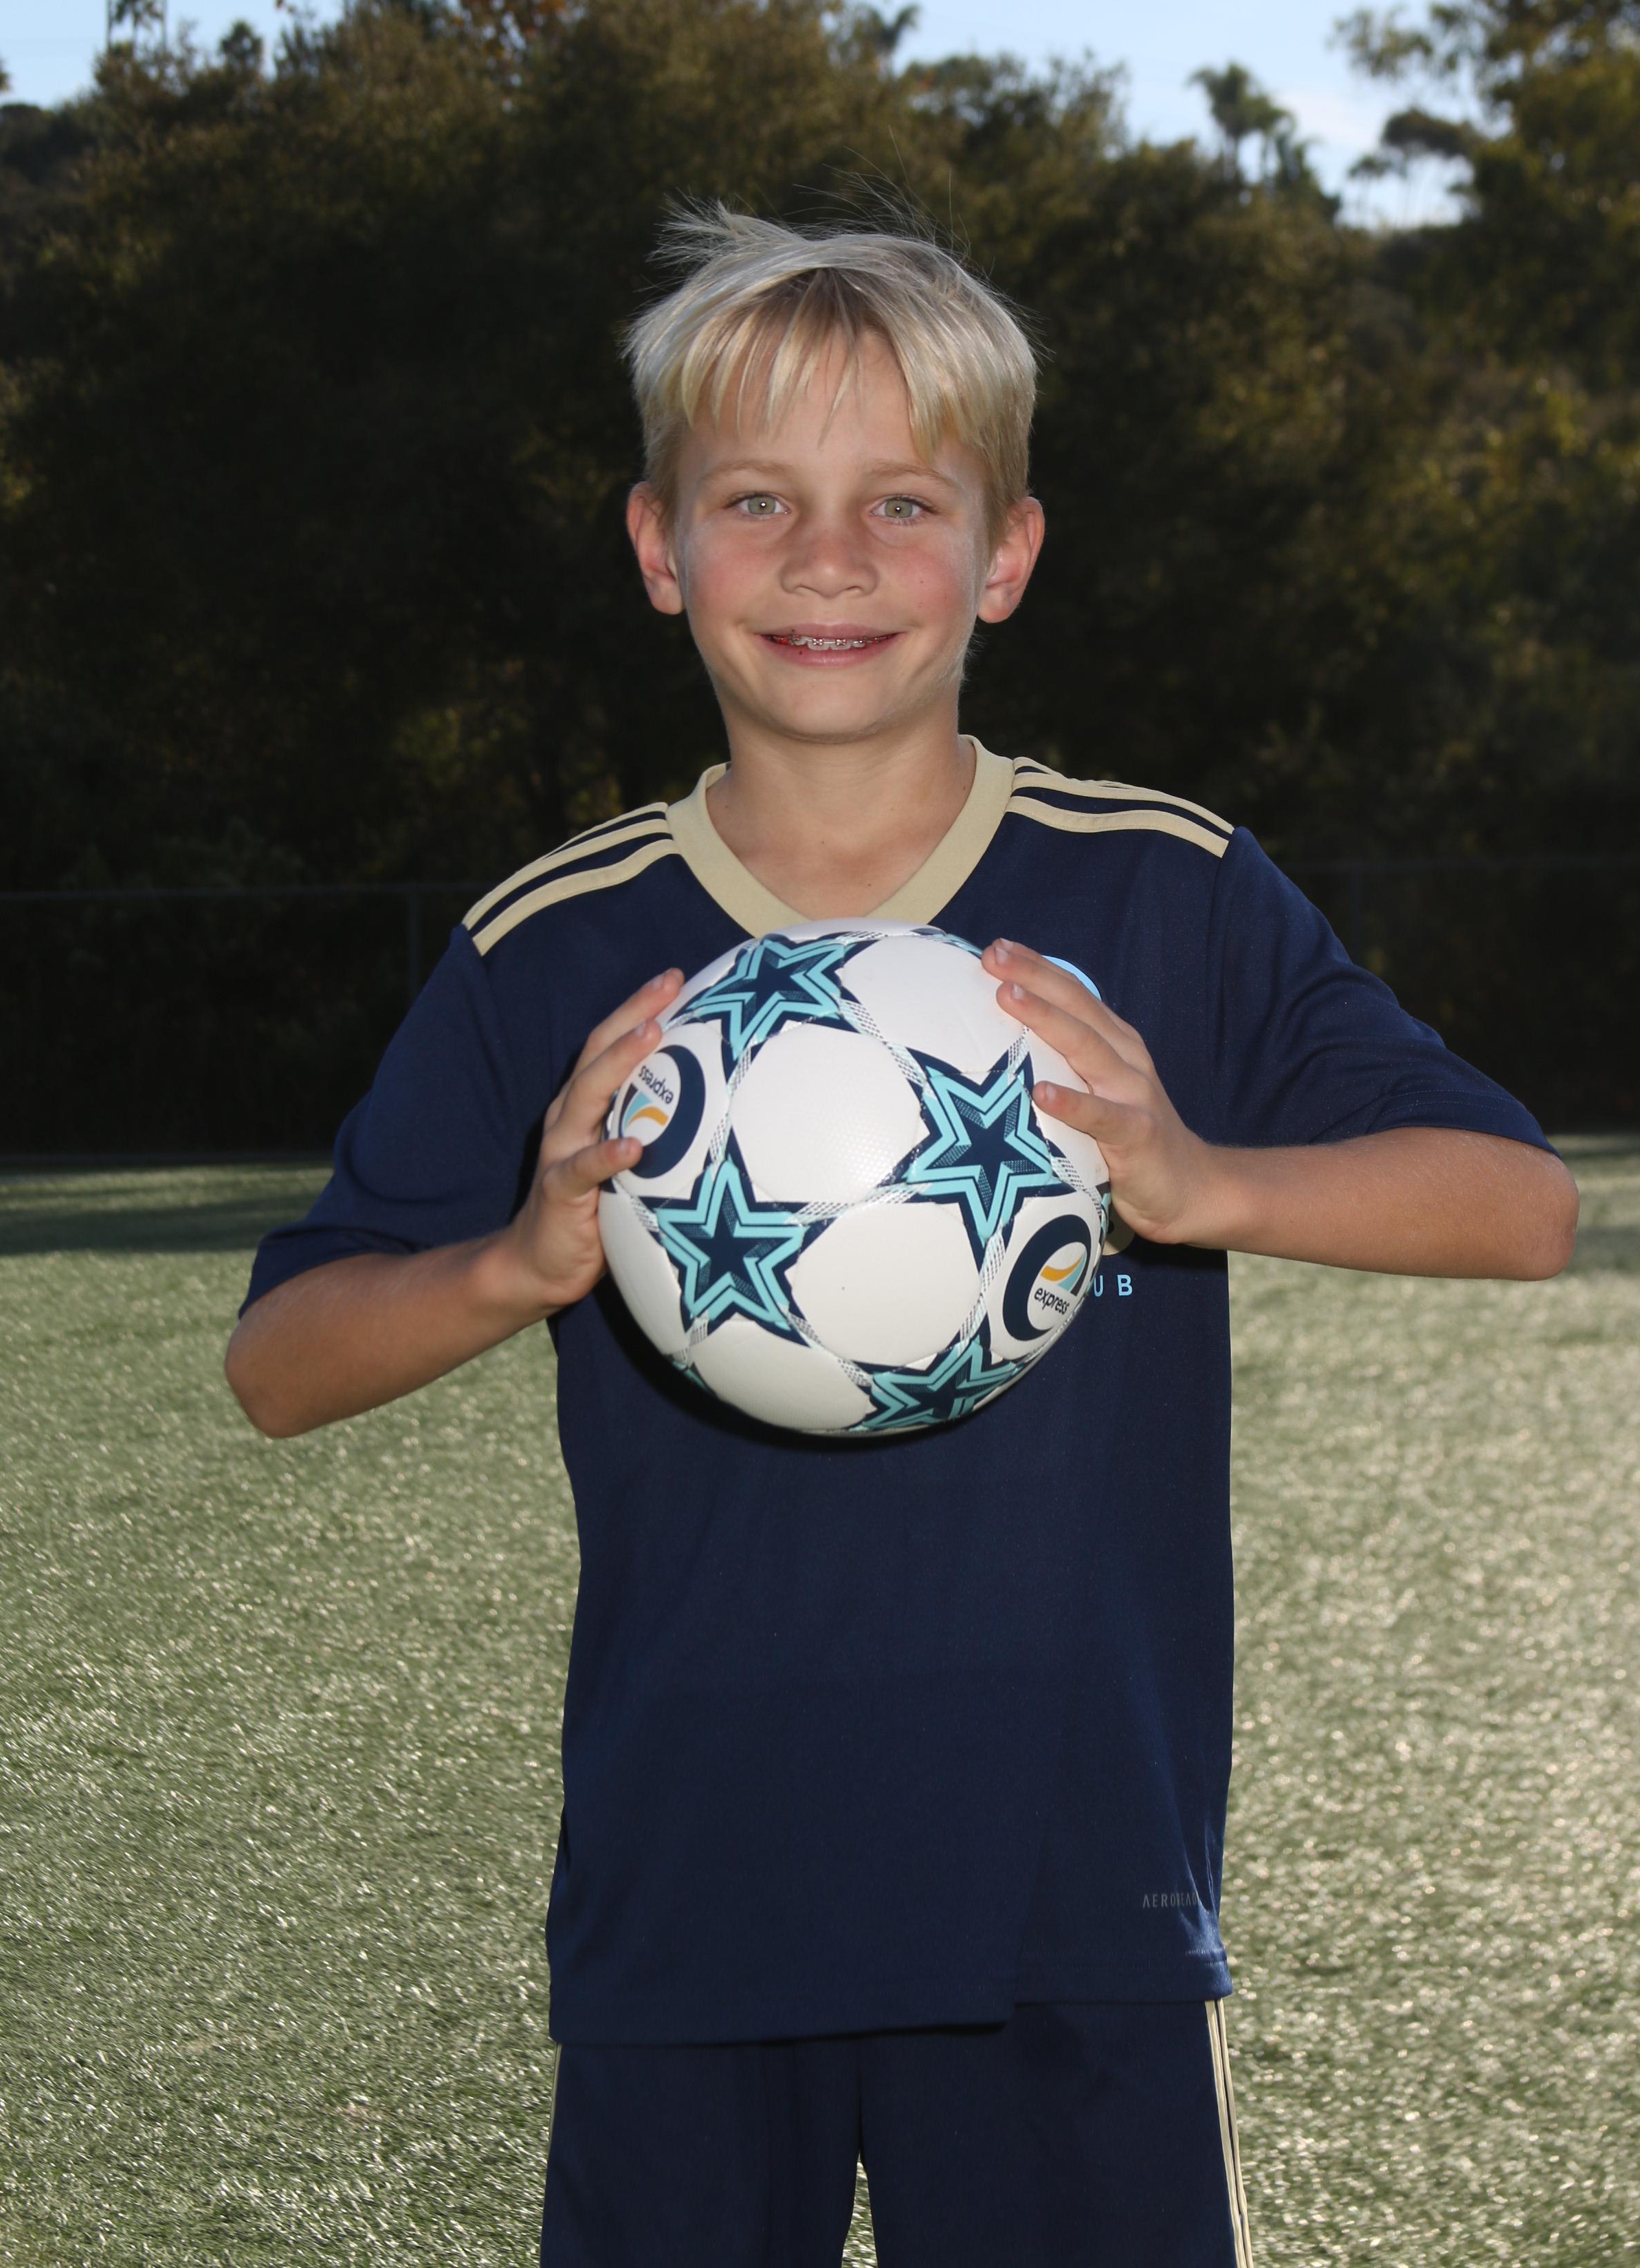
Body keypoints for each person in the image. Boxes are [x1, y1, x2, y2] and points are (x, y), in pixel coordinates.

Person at [226, 210, 1577, 2267]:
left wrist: (1203, 1181)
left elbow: (1521, 1205)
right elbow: (280, 1364)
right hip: (694, 1897)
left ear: (1006, 554)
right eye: (756, 500)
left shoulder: (1163, 893)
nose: (829, 559)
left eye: (903, 504)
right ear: (660, 546)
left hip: (1077, 1899)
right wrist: (518, 1260)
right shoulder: (553, 947)